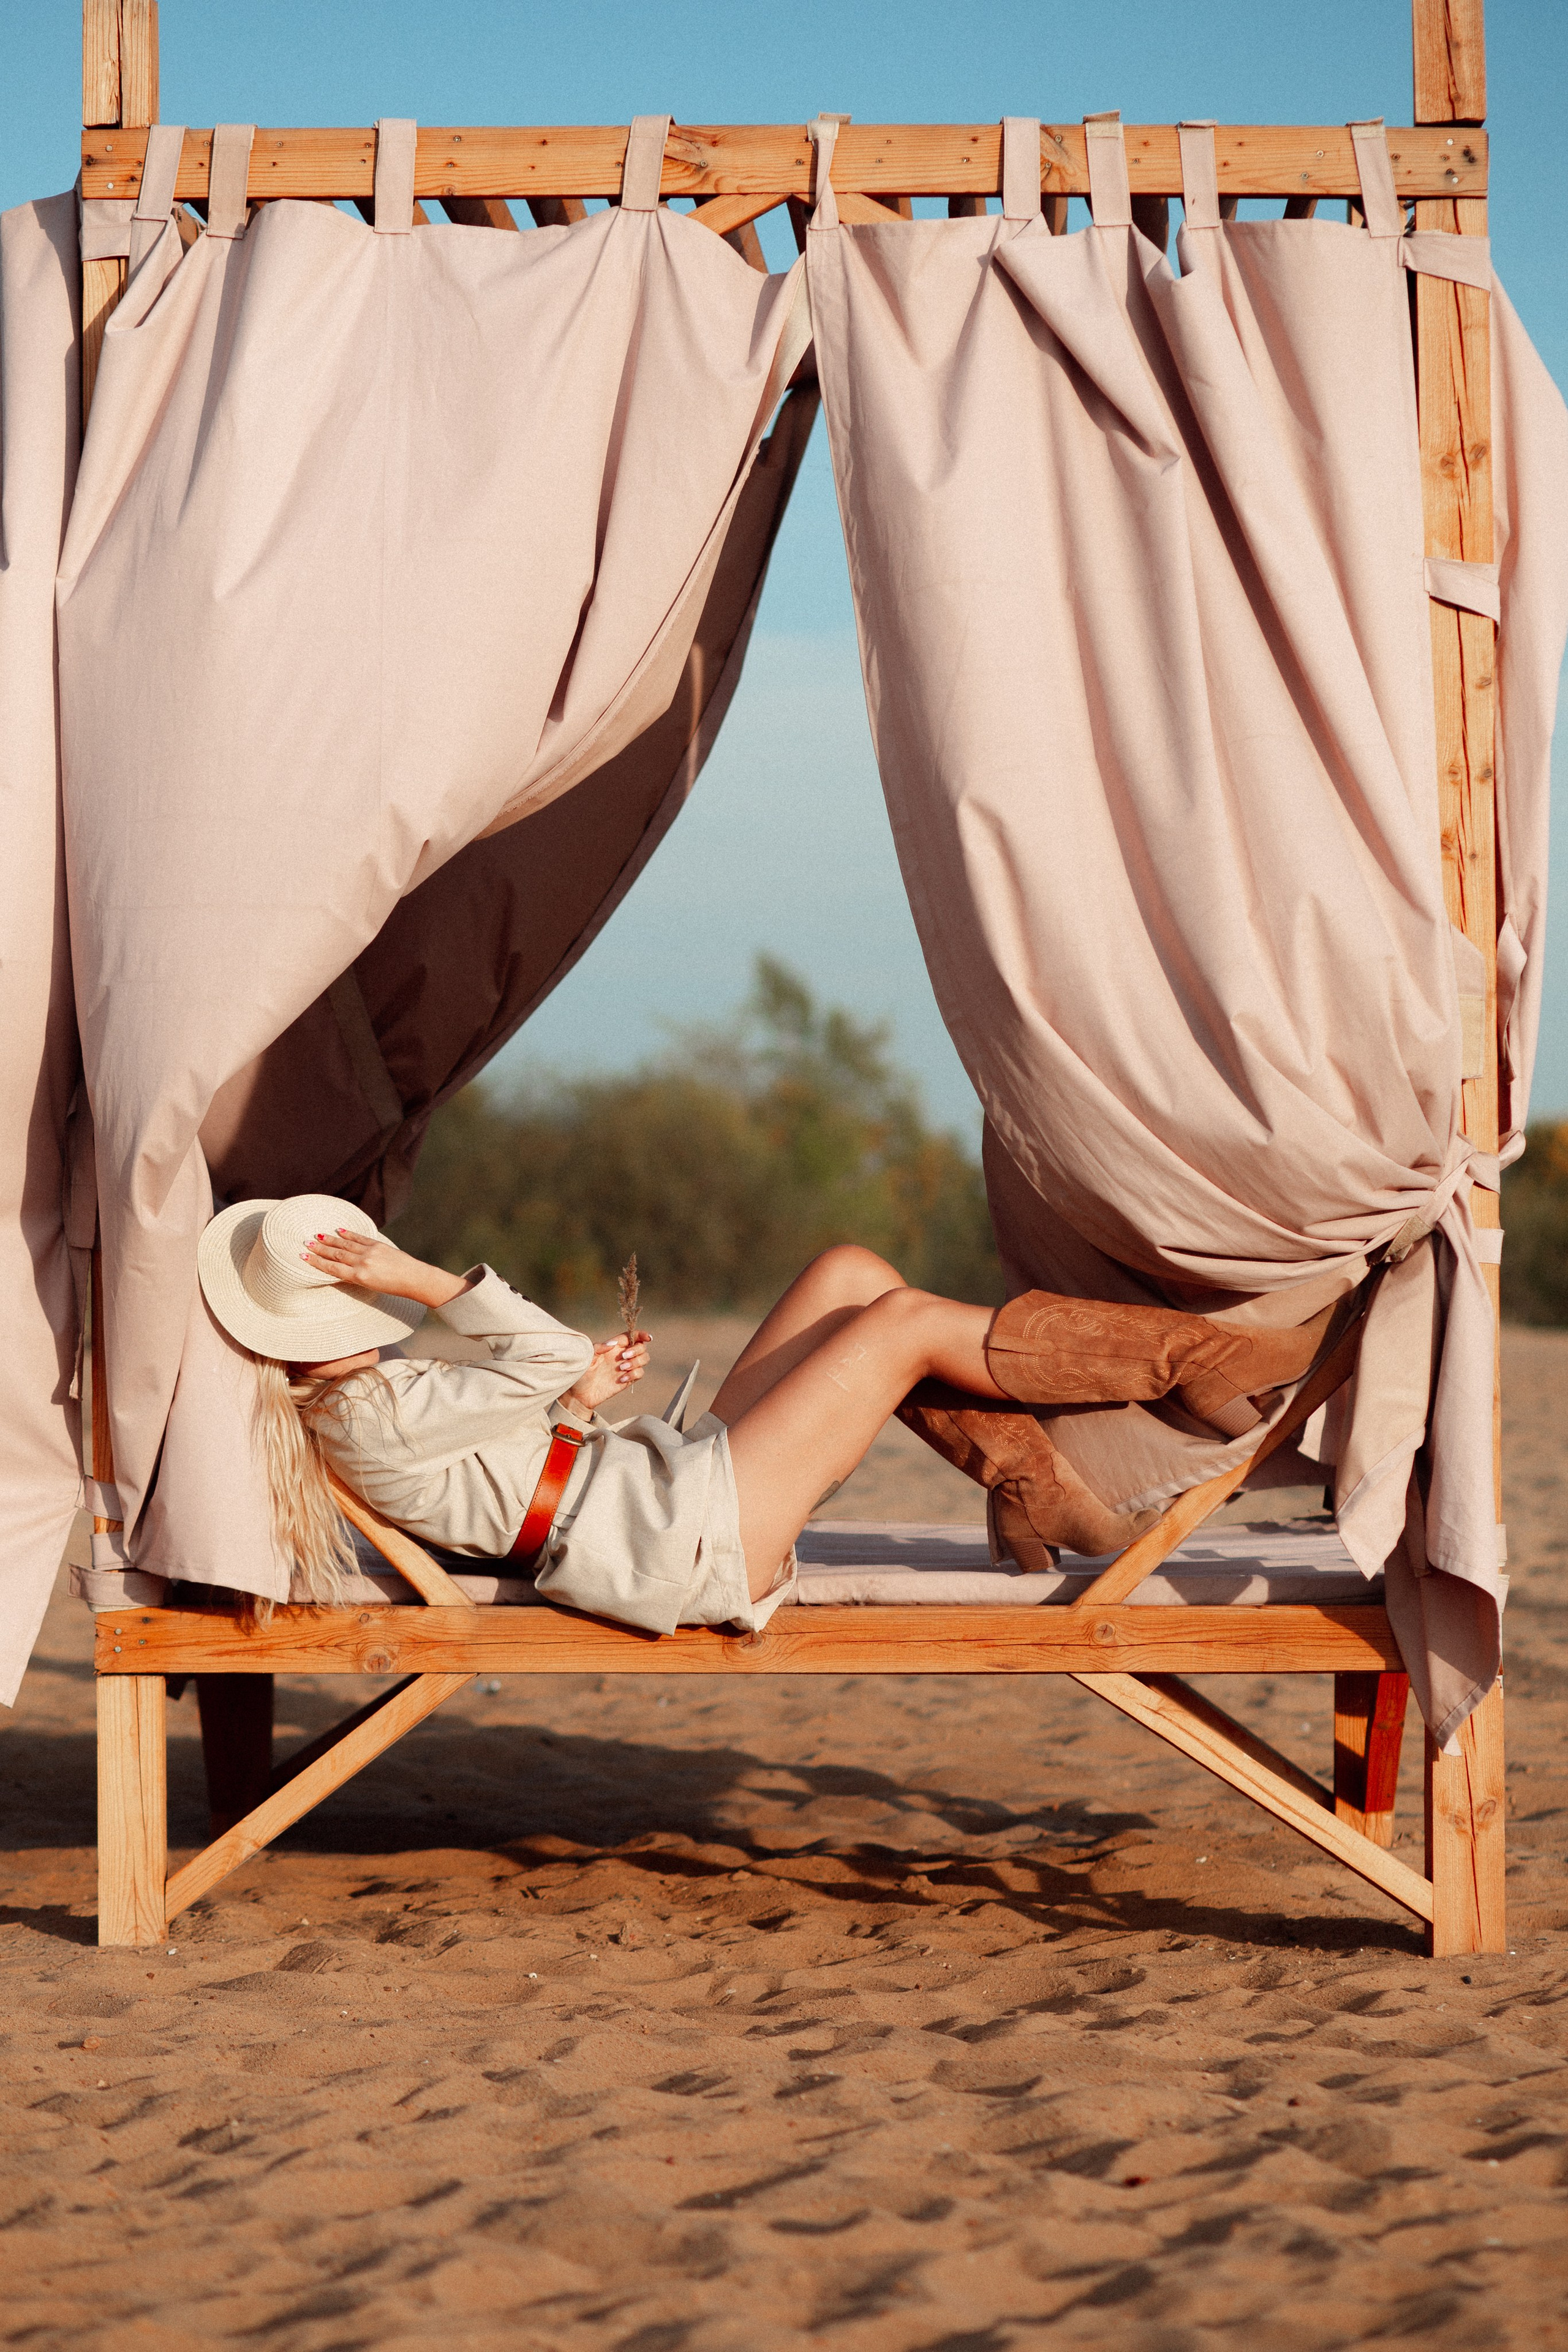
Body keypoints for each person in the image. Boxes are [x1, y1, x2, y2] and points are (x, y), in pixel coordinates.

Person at [198, 1193, 1332, 1635]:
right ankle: (1207, 1361)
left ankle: (1035, 1490)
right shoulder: (366, 1412)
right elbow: (533, 1350)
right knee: (903, 1329)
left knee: (849, 1273)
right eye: (361, 1278)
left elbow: (509, 1428)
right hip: (678, 1540)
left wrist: (580, 1403)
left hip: (648, 1488)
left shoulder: (372, 1404)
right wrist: (423, 1278)